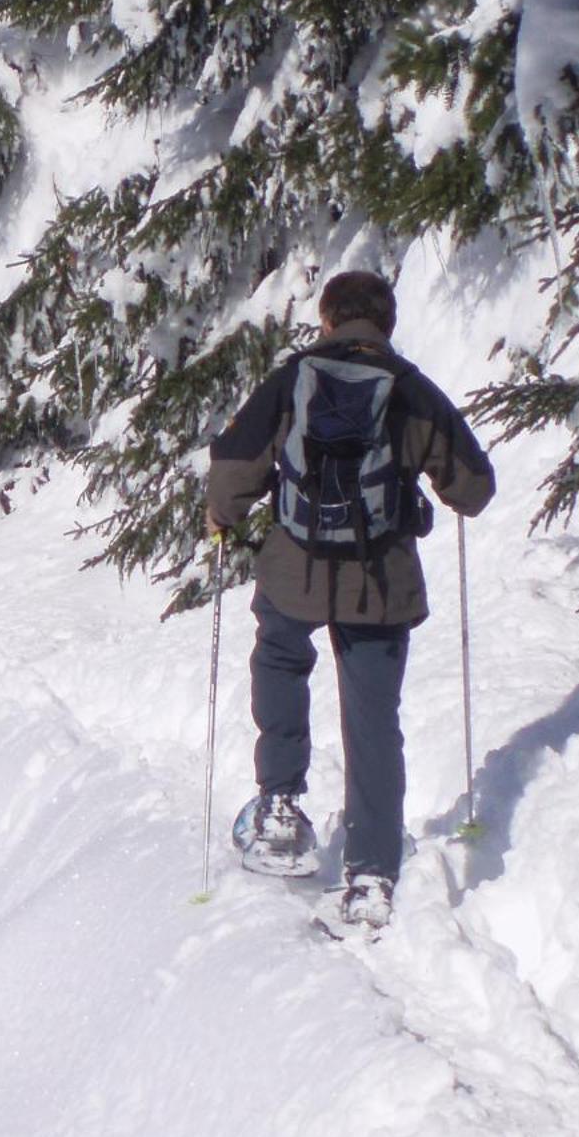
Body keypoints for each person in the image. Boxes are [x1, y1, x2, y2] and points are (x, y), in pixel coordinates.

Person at [205, 270, 495, 929]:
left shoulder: (293, 379)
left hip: (294, 567)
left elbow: (233, 467)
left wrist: (223, 515)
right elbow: (474, 489)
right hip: (381, 580)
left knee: (280, 657)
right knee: (372, 721)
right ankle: (370, 875)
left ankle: (279, 804)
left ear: (326, 320)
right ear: (387, 325)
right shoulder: (412, 389)